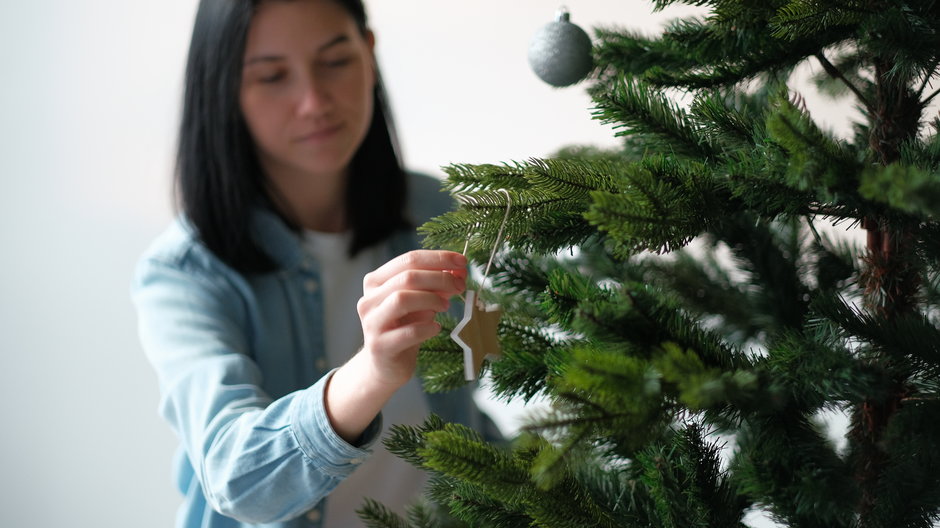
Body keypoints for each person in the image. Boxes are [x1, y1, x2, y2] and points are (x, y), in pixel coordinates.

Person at [132, 1, 494, 526]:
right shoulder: (185, 272)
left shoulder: (431, 211)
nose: (313, 101)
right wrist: (372, 372)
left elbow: (463, 422)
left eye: (335, 61)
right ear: (226, 91)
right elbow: (236, 479)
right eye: (273, 76)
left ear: (369, 54)